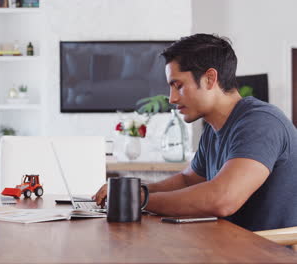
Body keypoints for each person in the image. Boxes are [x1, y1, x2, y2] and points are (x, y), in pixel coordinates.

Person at [94, 34, 297, 231]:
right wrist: (135, 190)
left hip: (269, 252)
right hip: (228, 245)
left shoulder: (261, 122)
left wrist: (136, 201)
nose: (172, 98)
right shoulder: (213, 129)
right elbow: (187, 180)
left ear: (210, 78)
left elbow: (223, 199)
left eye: (178, 86)